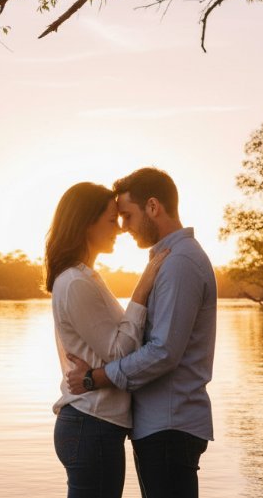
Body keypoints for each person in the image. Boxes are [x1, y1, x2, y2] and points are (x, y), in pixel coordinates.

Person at [66, 168, 217, 498]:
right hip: (162, 426)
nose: (122, 227)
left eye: (127, 215)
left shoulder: (180, 264)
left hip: (170, 427)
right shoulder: (169, 260)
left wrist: (96, 377)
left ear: (153, 207)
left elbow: (163, 351)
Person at [47, 181, 170, 498]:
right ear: (87, 224)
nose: (119, 229)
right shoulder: (76, 282)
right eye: (111, 220)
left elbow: (115, 345)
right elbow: (117, 351)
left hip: (94, 425)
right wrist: (142, 289)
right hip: (92, 424)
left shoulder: (85, 277)